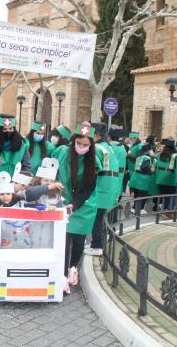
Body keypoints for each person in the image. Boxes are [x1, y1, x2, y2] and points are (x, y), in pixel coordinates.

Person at [61, 124, 98, 295]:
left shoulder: (93, 161)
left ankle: (73, 268)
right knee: (64, 238)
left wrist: (75, 204)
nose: (81, 147)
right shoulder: (65, 154)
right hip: (64, 201)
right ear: (74, 141)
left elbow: (88, 188)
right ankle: (61, 275)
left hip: (85, 204)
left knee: (78, 240)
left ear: (90, 146)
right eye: (79, 143)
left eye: (85, 145)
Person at [88, 123, 119, 256]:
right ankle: (99, 243)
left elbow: (93, 168)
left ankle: (96, 246)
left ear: (96, 134)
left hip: (101, 185)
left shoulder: (97, 148)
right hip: (110, 186)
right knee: (100, 216)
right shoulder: (108, 147)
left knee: (97, 217)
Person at [0, 115, 30, 185]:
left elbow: (26, 167)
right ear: (0, 131)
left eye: (10, 129)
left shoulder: (23, 145)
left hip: (15, 185)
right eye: (4, 129)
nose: (8, 131)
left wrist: (20, 184)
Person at [154, 139, 177, 211]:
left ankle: (159, 207)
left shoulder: (159, 155)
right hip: (170, 178)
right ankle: (167, 209)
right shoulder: (175, 156)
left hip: (159, 177)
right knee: (170, 194)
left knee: (162, 193)